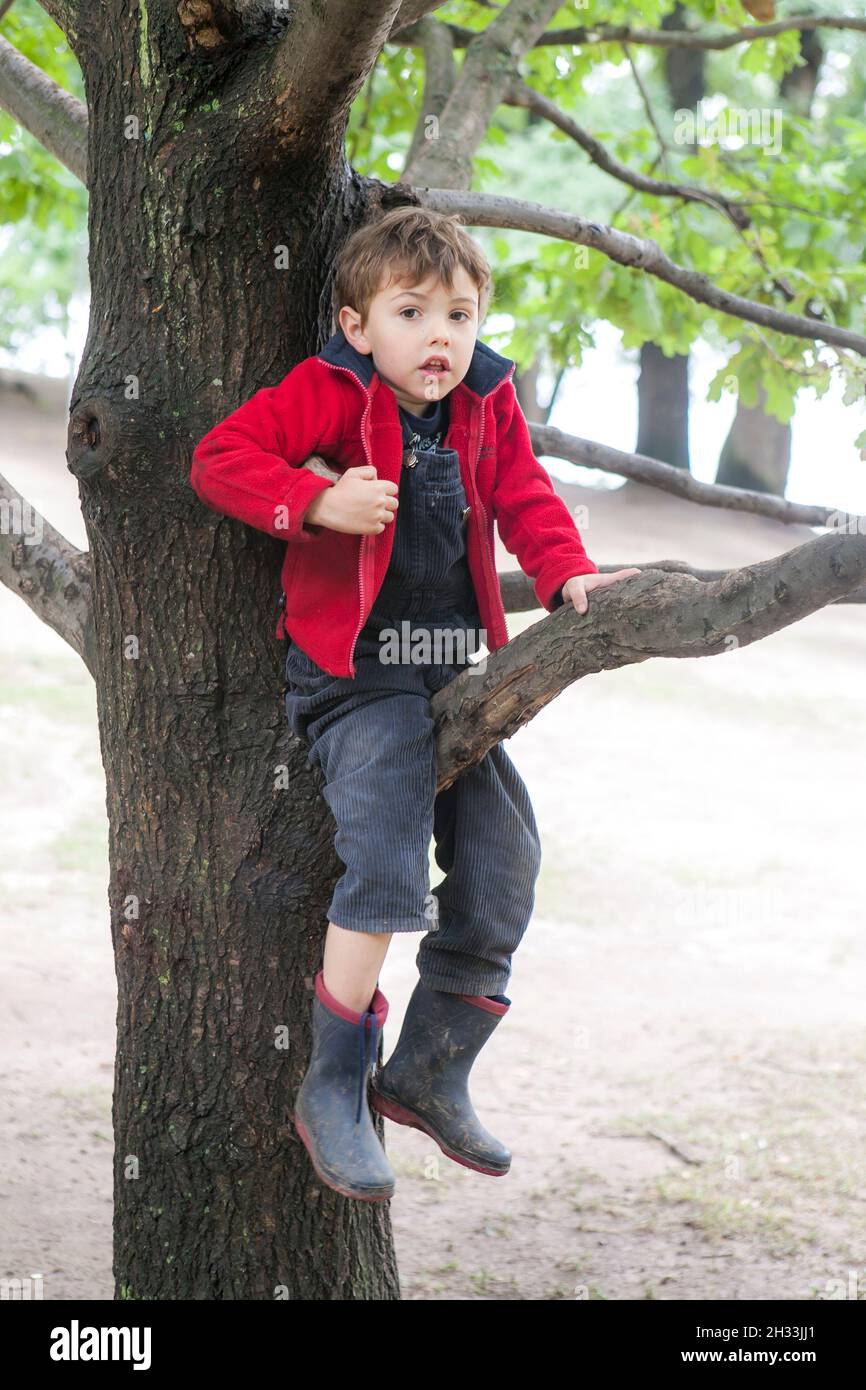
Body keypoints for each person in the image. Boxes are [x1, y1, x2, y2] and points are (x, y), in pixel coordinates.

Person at [190, 206, 639, 1203]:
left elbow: (525, 498)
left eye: (459, 314)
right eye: (411, 312)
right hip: (352, 673)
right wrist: (310, 503)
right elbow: (219, 459)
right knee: (387, 850)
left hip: (445, 661)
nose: (440, 337)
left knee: (504, 850)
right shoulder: (327, 390)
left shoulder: (486, 400)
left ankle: (431, 1065)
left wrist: (568, 575)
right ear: (358, 326)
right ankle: (334, 1082)